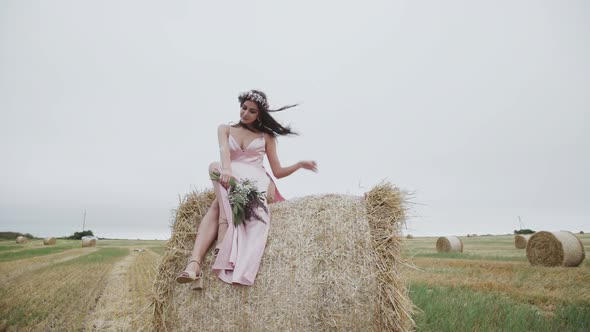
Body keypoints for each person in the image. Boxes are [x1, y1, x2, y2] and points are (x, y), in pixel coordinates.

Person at [176, 90, 317, 289]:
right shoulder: (224, 129)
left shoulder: (266, 136)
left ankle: (204, 255)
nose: (245, 113)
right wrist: (226, 169)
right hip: (231, 176)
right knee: (214, 169)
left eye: (252, 111)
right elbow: (224, 151)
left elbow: (277, 171)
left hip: (256, 181)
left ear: (259, 114)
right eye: (244, 108)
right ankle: (195, 263)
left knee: (218, 205)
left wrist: (299, 164)